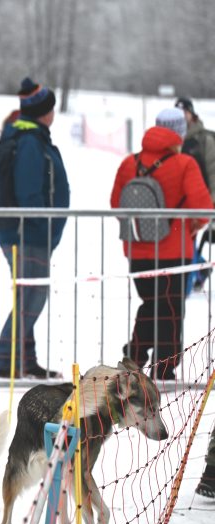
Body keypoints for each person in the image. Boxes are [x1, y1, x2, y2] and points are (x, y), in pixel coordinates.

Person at [110, 109, 212, 380]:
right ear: (178, 133)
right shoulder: (184, 163)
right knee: (170, 308)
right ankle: (163, 367)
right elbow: (204, 208)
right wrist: (189, 226)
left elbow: (115, 204)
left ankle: (134, 358)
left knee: (152, 303)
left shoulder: (129, 163)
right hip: (173, 251)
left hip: (137, 249)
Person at [0, 77, 70, 379]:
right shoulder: (30, 143)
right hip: (28, 235)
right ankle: (2, 364)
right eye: (51, 108)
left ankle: (24, 361)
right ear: (43, 112)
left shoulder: (30, 138)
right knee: (32, 297)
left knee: (28, 295)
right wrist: (43, 226)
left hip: (28, 234)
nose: (54, 114)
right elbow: (29, 194)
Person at [174, 97, 215, 292]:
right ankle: (199, 271)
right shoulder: (174, 139)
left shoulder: (204, 140)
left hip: (200, 201)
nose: (183, 116)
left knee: (189, 241)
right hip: (178, 202)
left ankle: (190, 280)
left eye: (185, 112)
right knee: (183, 242)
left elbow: (213, 170)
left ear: (192, 113)